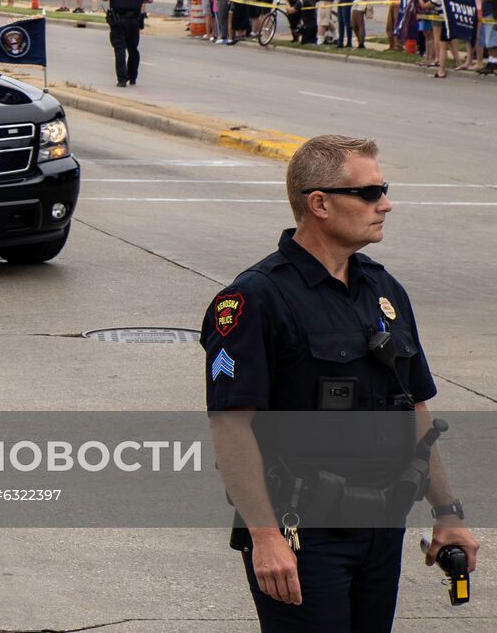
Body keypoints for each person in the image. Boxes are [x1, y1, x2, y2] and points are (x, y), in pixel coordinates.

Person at [201, 135, 478, 632]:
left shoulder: (384, 289)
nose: (386, 204)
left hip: (382, 528)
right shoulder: (255, 299)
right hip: (303, 535)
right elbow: (231, 427)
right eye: (370, 193)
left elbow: (414, 407)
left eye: (384, 189)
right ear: (320, 204)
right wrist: (265, 536)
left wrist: (447, 512)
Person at [100, 0, 152, 85]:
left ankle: (122, 79)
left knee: (120, 49)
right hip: (134, 20)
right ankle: (132, 77)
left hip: (118, 20)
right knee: (133, 49)